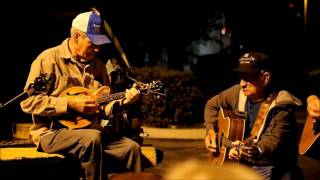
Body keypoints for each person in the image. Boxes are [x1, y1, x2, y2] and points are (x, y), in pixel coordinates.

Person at [20, 10, 142, 180]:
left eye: (100, 43)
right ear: (76, 36)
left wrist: (124, 102)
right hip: (51, 133)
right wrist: (69, 104)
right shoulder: (48, 59)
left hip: (90, 130)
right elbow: (28, 102)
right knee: (93, 138)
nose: (97, 49)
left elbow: (104, 108)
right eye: (92, 43)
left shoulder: (99, 67)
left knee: (131, 148)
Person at [204, 51, 303, 179]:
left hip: (271, 166)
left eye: (248, 77)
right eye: (240, 77)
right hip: (241, 164)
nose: (242, 84)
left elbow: (273, 140)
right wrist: (211, 131)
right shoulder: (236, 93)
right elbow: (211, 105)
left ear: (265, 78)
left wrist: (249, 151)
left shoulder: (281, 105)